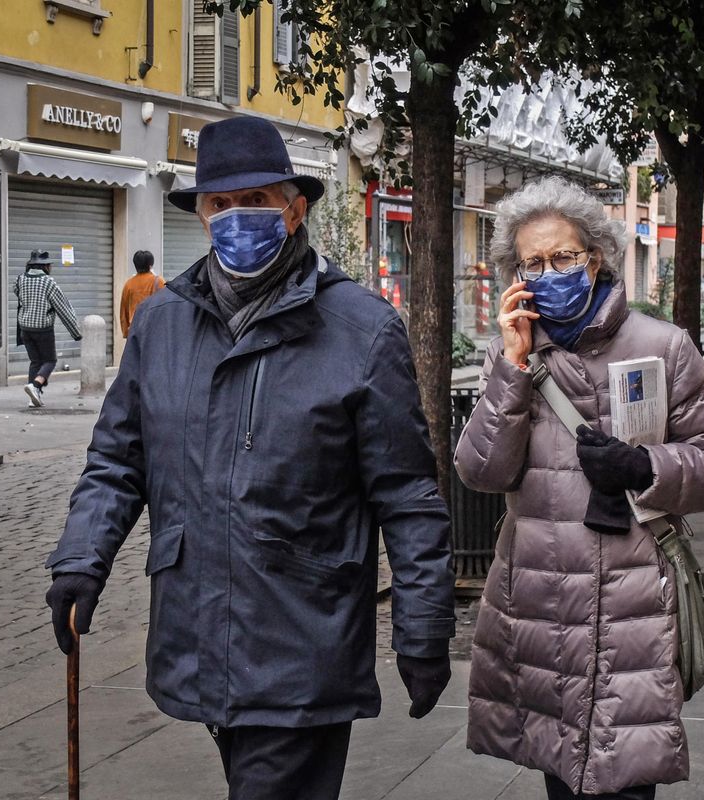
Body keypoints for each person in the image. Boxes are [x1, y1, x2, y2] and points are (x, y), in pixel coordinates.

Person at [43, 116, 456, 800]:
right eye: (221, 203)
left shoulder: (361, 329)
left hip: (304, 641)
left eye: (257, 201)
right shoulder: (162, 323)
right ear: (202, 215)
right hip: (198, 633)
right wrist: (82, 559)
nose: (237, 217)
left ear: (294, 211)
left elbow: (408, 495)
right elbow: (118, 459)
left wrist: (423, 627)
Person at [454, 176, 704, 799]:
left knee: (627, 771)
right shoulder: (513, 356)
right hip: (543, 607)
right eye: (532, 263)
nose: (548, 273)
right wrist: (511, 368)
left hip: (632, 606)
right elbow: (481, 472)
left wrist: (644, 467)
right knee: (561, 772)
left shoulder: (663, 346)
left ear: (596, 258)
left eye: (563, 257)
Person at [13, 249, 82, 407]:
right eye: (49, 265)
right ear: (44, 266)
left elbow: (16, 292)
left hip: (25, 329)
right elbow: (63, 308)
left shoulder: (20, 279)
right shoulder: (49, 282)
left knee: (35, 361)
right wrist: (76, 332)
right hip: (43, 329)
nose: (50, 267)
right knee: (50, 360)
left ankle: (33, 398)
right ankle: (36, 385)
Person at [119, 249, 165, 337]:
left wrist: (126, 332)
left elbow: (123, 311)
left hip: (135, 330)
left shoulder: (129, 284)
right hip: (154, 330)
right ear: (150, 265)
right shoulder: (159, 281)